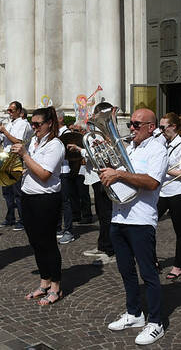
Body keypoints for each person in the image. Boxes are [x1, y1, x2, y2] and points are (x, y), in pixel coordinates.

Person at [101, 107, 167, 346]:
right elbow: (120, 177)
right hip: (119, 216)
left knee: (148, 273)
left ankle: (156, 322)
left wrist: (118, 174)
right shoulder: (129, 148)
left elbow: (151, 182)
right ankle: (134, 313)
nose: (131, 128)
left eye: (137, 125)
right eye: (130, 124)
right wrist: (108, 174)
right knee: (126, 270)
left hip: (140, 219)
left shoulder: (158, 149)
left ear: (151, 127)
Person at [11, 106, 65, 305]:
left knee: (48, 243)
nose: (34, 128)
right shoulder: (34, 141)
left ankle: (56, 286)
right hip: (29, 197)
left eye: (38, 124)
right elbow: (32, 168)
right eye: (32, 124)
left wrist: (25, 155)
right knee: (35, 243)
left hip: (46, 199)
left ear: (49, 123)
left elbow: (44, 175)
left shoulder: (55, 145)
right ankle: (44, 282)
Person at [76, 102, 115, 266]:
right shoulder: (98, 133)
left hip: (104, 177)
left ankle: (110, 250)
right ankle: (103, 245)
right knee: (101, 214)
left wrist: (80, 150)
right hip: (96, 177)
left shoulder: (105, 134)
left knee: (106, 215)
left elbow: (101, 155)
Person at [157, 112, 181, 280]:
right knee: (149, 223)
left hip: (179, 191)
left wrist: (164, 169)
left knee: (179, 229)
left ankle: (177, 266)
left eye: (163, 127)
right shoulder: (163, 142)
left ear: (173, 127)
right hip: (163, 191)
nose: (160, 130)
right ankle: (152, 260)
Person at [0, 101, 31, 231]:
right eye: (8, 111)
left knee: (18, 192)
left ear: (19, 111)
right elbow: (4, 140)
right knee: (7, 191)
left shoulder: (23, 124)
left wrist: (4, 131)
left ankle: (23, 219)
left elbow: (18, 141)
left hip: (16, 159)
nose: (9, 113)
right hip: (6, 158)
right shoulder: (10, 123)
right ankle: (10, 218)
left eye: (11, 111)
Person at [57, 110, 79, 244]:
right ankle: (58, 227)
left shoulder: (67, 134)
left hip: (65, 170)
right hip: (56, 171)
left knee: (66, 202)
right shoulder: (55, 133)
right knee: (58, 202)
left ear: (60, 119)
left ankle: (69, 230)